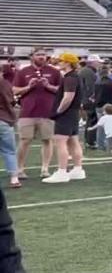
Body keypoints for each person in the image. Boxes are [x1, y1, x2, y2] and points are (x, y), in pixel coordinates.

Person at [13, 49, 61, 180]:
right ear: (32, 57)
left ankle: (45, 169)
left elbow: (61, 90)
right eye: (38, 55)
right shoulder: (23, 72)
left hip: (48, 112)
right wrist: (28, 87)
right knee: (24, 140)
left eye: (44, 55)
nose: (42, 57)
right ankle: (20, 169)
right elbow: (15, 90)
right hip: (27, 112)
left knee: (47, 140)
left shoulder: (54, 71)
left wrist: (49, 86)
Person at [42, 53, 86, 184]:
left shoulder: (70, 78)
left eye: (61, 61)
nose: (58, 63)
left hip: (66, 114)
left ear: (67, 63)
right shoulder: (74, 77)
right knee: (73, 141)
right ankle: (78, 169)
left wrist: (58, 111)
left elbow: (68, 97)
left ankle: (62, 171)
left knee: (60, 142)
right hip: (73, 113)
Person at [0, 76, 20, 189]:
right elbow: (11, 101)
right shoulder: (5, 83)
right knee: (9, 151)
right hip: (4, 119)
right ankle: (14, 178)